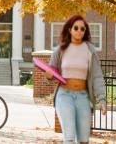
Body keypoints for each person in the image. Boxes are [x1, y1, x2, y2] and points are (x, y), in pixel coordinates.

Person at [45, 15, 107, 144]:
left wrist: (102, 99)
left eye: (82, 29)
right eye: (76, 28)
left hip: (83, 97)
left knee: (84, 140)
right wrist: (48, 75)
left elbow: (97, 76)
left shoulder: (90, 50)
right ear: (70, 29)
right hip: (64, 95)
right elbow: (50, 74)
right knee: (69, 137)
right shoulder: (60, 50)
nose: (79, 31)